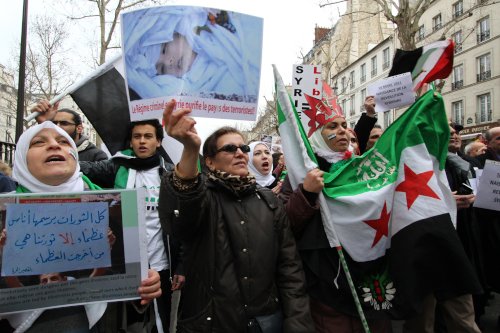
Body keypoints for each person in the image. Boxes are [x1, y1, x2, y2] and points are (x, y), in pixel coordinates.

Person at [159, 100, 315, 332]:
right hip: (213, 323)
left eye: (244, 148)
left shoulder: (268, 201)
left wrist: (298, 323)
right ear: (209, 162)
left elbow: (289, 268)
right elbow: (180, 220)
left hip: (266, 323)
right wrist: (190, 149)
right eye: (230, 149)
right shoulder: (202, 198)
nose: (240, 153)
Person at [0, 121, 161, 332]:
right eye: (39, 142)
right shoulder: (5, 215)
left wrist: (145, 283)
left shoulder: (112, 212)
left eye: (63, 141)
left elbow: (125, 287)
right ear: (21, 158)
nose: (54, 146)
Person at [279, 96, 390, 332]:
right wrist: (306, 193)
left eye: (343, 125)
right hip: (329, 277)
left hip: (370, 267)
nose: (342, 131)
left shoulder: (362, 165)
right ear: (318, 135)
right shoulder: (303, 173)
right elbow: (284, 223)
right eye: (333, 126)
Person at [79, 119, 184, 332]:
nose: (142, 141)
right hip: (123, 265)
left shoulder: (171, 174)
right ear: (131, 142)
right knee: (124, 323)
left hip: (161, 265)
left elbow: (181, 225)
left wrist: (181, 266)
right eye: (137, 137)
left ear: (159, 142)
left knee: (160, 321)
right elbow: (77, 169)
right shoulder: (116, 166)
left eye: (148, 136)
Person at [402, 123, 484, 333]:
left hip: (453, 246)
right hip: (421, 248)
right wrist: (445, 203)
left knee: (463, 319)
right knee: (422, 320)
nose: (450, 135)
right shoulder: (406, 162)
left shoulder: (458, 163)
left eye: (452, 133)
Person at [123, 6, 261, 102]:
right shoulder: (198, 86)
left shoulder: (211, 30)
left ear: (175, 32)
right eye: (161, 69)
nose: (168, 62)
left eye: (164, 49)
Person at [31, 99, 108, 162]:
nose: (57, 126)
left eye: (64, 123)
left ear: (79, 128)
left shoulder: (97, 156)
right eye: (54, 123)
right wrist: (43, 124)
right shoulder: (43, 149)